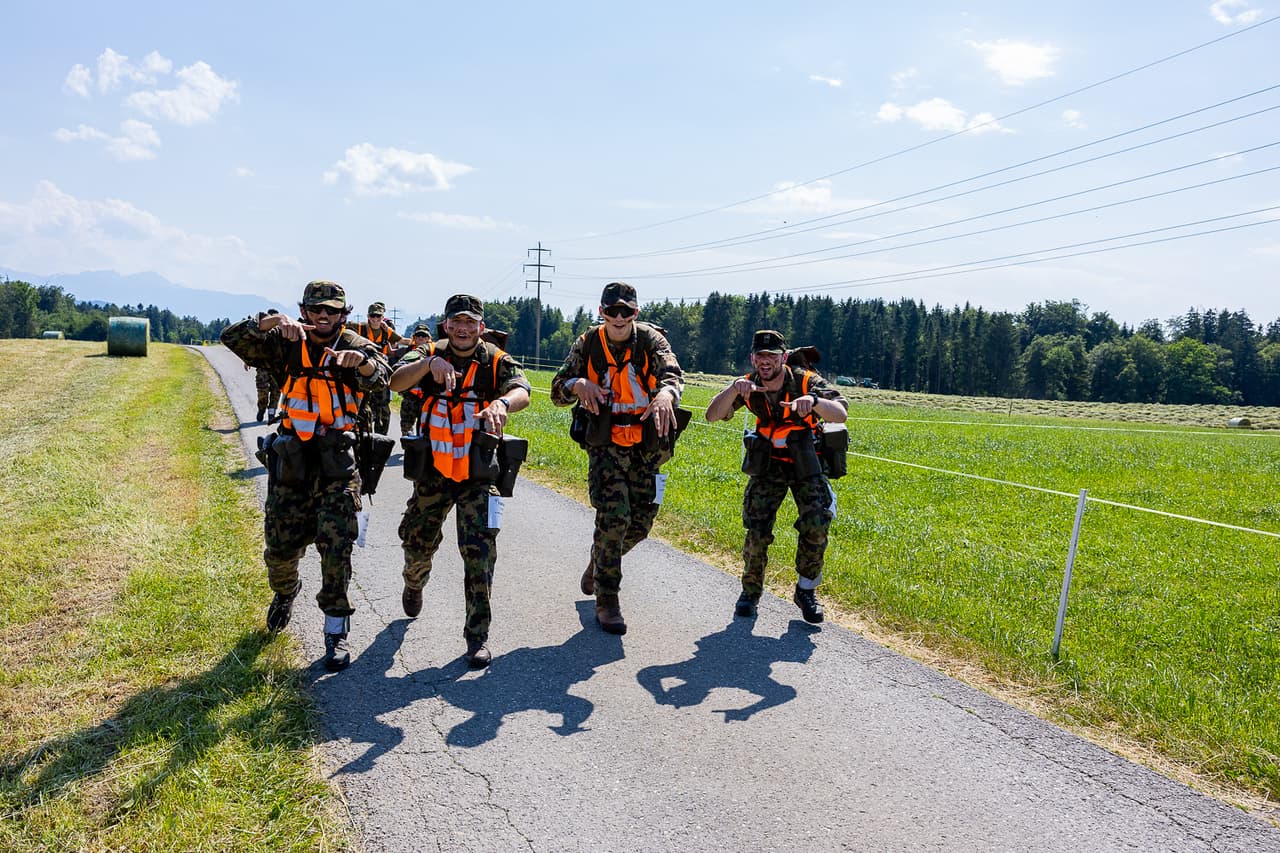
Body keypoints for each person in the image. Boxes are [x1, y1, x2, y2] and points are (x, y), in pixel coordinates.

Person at [220, 280, 390, 671]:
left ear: (344, 314)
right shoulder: (285, 343)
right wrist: (268, 325)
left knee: (336, 551)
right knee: (280, 550)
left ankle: (335, 632)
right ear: (304, 311)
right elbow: (232, 338)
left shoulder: (355, 345)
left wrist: (360, 364)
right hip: (292, 461)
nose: (324, 316)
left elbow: (381, 376)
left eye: (332, 310)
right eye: (316, 310)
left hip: (337, 466)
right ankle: (285, 591)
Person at [391, 294, 531, 668]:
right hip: (433, 470)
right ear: (447, 325)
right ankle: (414, 581)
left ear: (481, 327)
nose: (464, 329)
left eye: (472, 323)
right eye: (458, 322)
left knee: (479, 554)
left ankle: (477, 636)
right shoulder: (427, 353)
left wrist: (503, 403)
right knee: (417, 542)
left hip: (477, 472)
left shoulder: (494, 360)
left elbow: (523, 390)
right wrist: (428, 362)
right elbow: (395, 382)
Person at [550, 281, 683, 635]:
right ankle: (607, 600)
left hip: (646, 447)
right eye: (613, 311)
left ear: (636, 313)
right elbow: (556, 389)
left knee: (641, 524)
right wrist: (578, 384)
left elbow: (673, 374)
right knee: (614, 519)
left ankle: (599, 563)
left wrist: (666, 395)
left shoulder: (652, 340)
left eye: (627, 311)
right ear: (602, 312)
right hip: (606, 445)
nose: (620, 317)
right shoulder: (588, 343)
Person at [704, 329, 848, 623]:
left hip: (806, 463)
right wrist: (734, 390)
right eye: (760, 355)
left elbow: (841, 412)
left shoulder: (805, 381)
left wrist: (814, 402)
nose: (765, 361)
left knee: (816, 523)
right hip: (768, 464)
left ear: (783, 357)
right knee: (756, 530)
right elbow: (712, 415)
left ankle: (806, 591)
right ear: (752, 358)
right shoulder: (748, 384)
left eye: (772, 356)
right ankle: (750, 592)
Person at [353, 302, 403, 434]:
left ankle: (382, 439)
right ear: (368, 316)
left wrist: (425, 343)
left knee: (383, 407)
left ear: (382, 317)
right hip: (363, 371)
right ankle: (362, 437)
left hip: (381, 373)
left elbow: (403, 341)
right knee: (361, 405)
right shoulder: (359, 328)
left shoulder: (387, 331)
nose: (375, 319)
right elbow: (338, 328)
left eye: (378, 316)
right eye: (372, 315)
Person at [392, 324, 433, 436]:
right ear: (413, 338)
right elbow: (394, 364)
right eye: (418, 335)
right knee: (406, 427)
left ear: (428, 339)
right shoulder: (406, 352)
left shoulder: (435, 352)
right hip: (409, 396)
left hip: (427, 397)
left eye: (424, 336)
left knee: (425, 428)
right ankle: (408, 450)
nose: (421, 338)